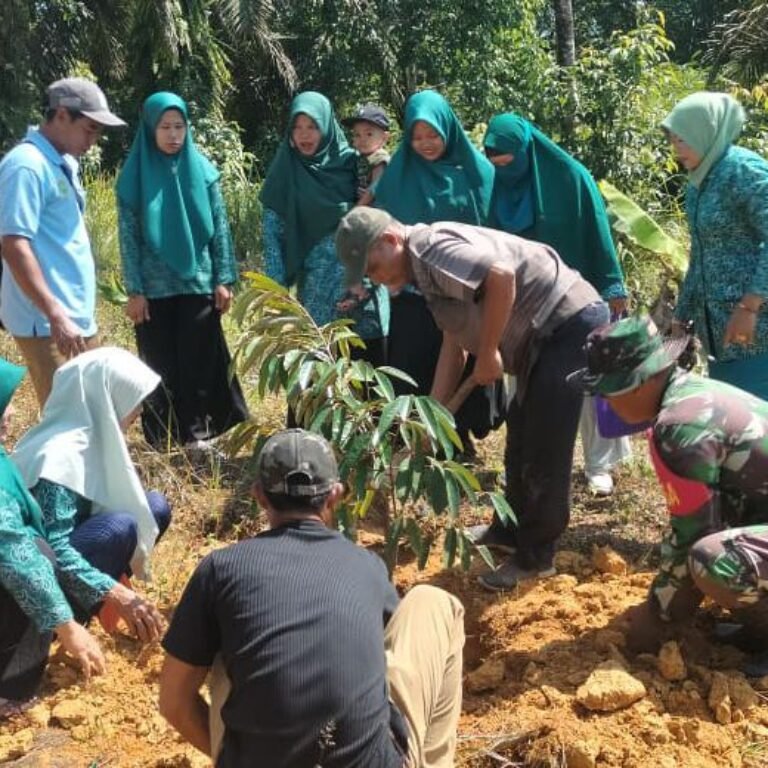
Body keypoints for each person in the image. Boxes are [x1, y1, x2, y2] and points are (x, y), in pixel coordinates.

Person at [336, 207, 608, 591]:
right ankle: (508, 529)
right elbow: (454, 342)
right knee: (520, 435)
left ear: (390, 240)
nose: (375, 279)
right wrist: (432, 414)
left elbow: (501, 275)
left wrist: (490, 350)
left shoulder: (430, 248)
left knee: (543, 444)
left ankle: (536, 556)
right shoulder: (424, 273)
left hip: (567, 324)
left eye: (373, 268)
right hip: (542, 338)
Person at [159, 428, 464, 767]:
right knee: (434, 602)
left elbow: (174, 703)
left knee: (223, 645)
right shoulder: (367, 565)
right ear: (335, 496)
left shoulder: (221, 568)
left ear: (259, 496)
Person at [567, 315, 768, 675]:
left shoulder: (679, 428)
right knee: (728, 528)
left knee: (714, 560)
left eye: (608, 395)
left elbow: (692, 539)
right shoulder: (691, 394)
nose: (606, 407)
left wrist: (657, 620)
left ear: (639, 384)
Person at [0, 349, 167, 716]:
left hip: (39, 568)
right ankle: (34, 657)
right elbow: (35, 552)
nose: (138, 413)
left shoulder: (95, 439)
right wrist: (107, 597)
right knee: (117, 526)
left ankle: (84, 615)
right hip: (28, 583)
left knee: (150, 507)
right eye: (132, 402)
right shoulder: (60, 454)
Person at [483, 112, 631, 496]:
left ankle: (599, 465)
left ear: (527, 151)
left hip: (577, 300)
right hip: (524, 303)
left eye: (510, 161)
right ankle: (532, 462)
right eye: (497, 162)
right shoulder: (494, 185)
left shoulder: (569, 177)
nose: (505, 170)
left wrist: (613, 284)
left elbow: (596, 229)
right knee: (527, 384)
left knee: (586, 383)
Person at [115, 91, 248, 450]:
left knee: (200, 361)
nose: (173, 135)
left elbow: (220, 229)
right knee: (158, 365)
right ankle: (162, 439)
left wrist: (223, 278)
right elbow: (128, 239)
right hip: (153, 291)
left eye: (179, 126)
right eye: (165, 127)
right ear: (150, 129)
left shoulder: (203, 173)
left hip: (197, 283)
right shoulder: (134, 178)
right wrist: (135, 289)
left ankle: (199, 437)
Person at [374, 90, 501, 450]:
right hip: (415, 294)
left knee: (464, 363)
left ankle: (456, 439)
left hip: (466, 289)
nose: (425, 144)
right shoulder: (398, 177)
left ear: (449, 130)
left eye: (433, 134)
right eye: (416, 136)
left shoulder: (477, 173)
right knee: (414, 364)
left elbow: (495, 230)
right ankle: (414, 440)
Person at [0, 78, 126, 407]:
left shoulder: (64, 162)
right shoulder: (26, 166)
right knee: (67, 424)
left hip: (73, 316)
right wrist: (55, 313)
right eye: (89, 129)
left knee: (99, 409)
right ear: (60, 116)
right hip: (46, 322)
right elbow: (14, 244)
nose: (94, 140)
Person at [261, 91, 389, 367]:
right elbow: (272, 238)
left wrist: (369, 280)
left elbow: (382, 218)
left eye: (313, 126)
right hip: (317, 292)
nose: (304, 135)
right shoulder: (285, 172)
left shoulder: (353, 163)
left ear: (327, 127)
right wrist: (276, 295)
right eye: (297, 127)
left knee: (368, 382)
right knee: (319, 377)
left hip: (363, 289)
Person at [662, 91, 768, 399]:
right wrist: (680, 318)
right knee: (736, 425)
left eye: (682, 139)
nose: (675, 149)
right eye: (672, 140)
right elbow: (700, 256)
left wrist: (750, 305)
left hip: (758, 331)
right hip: (720, 335)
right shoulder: (698, 182)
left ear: (704, 131)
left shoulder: (744, 171)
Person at [342, 102, 391, 207]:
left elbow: (375, 187)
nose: (362, 139)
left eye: (369, 134)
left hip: (379, 209)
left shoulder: (379, 158)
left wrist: (358, 206)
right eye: (357, 134)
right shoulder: (361, 157)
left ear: (384, 138)